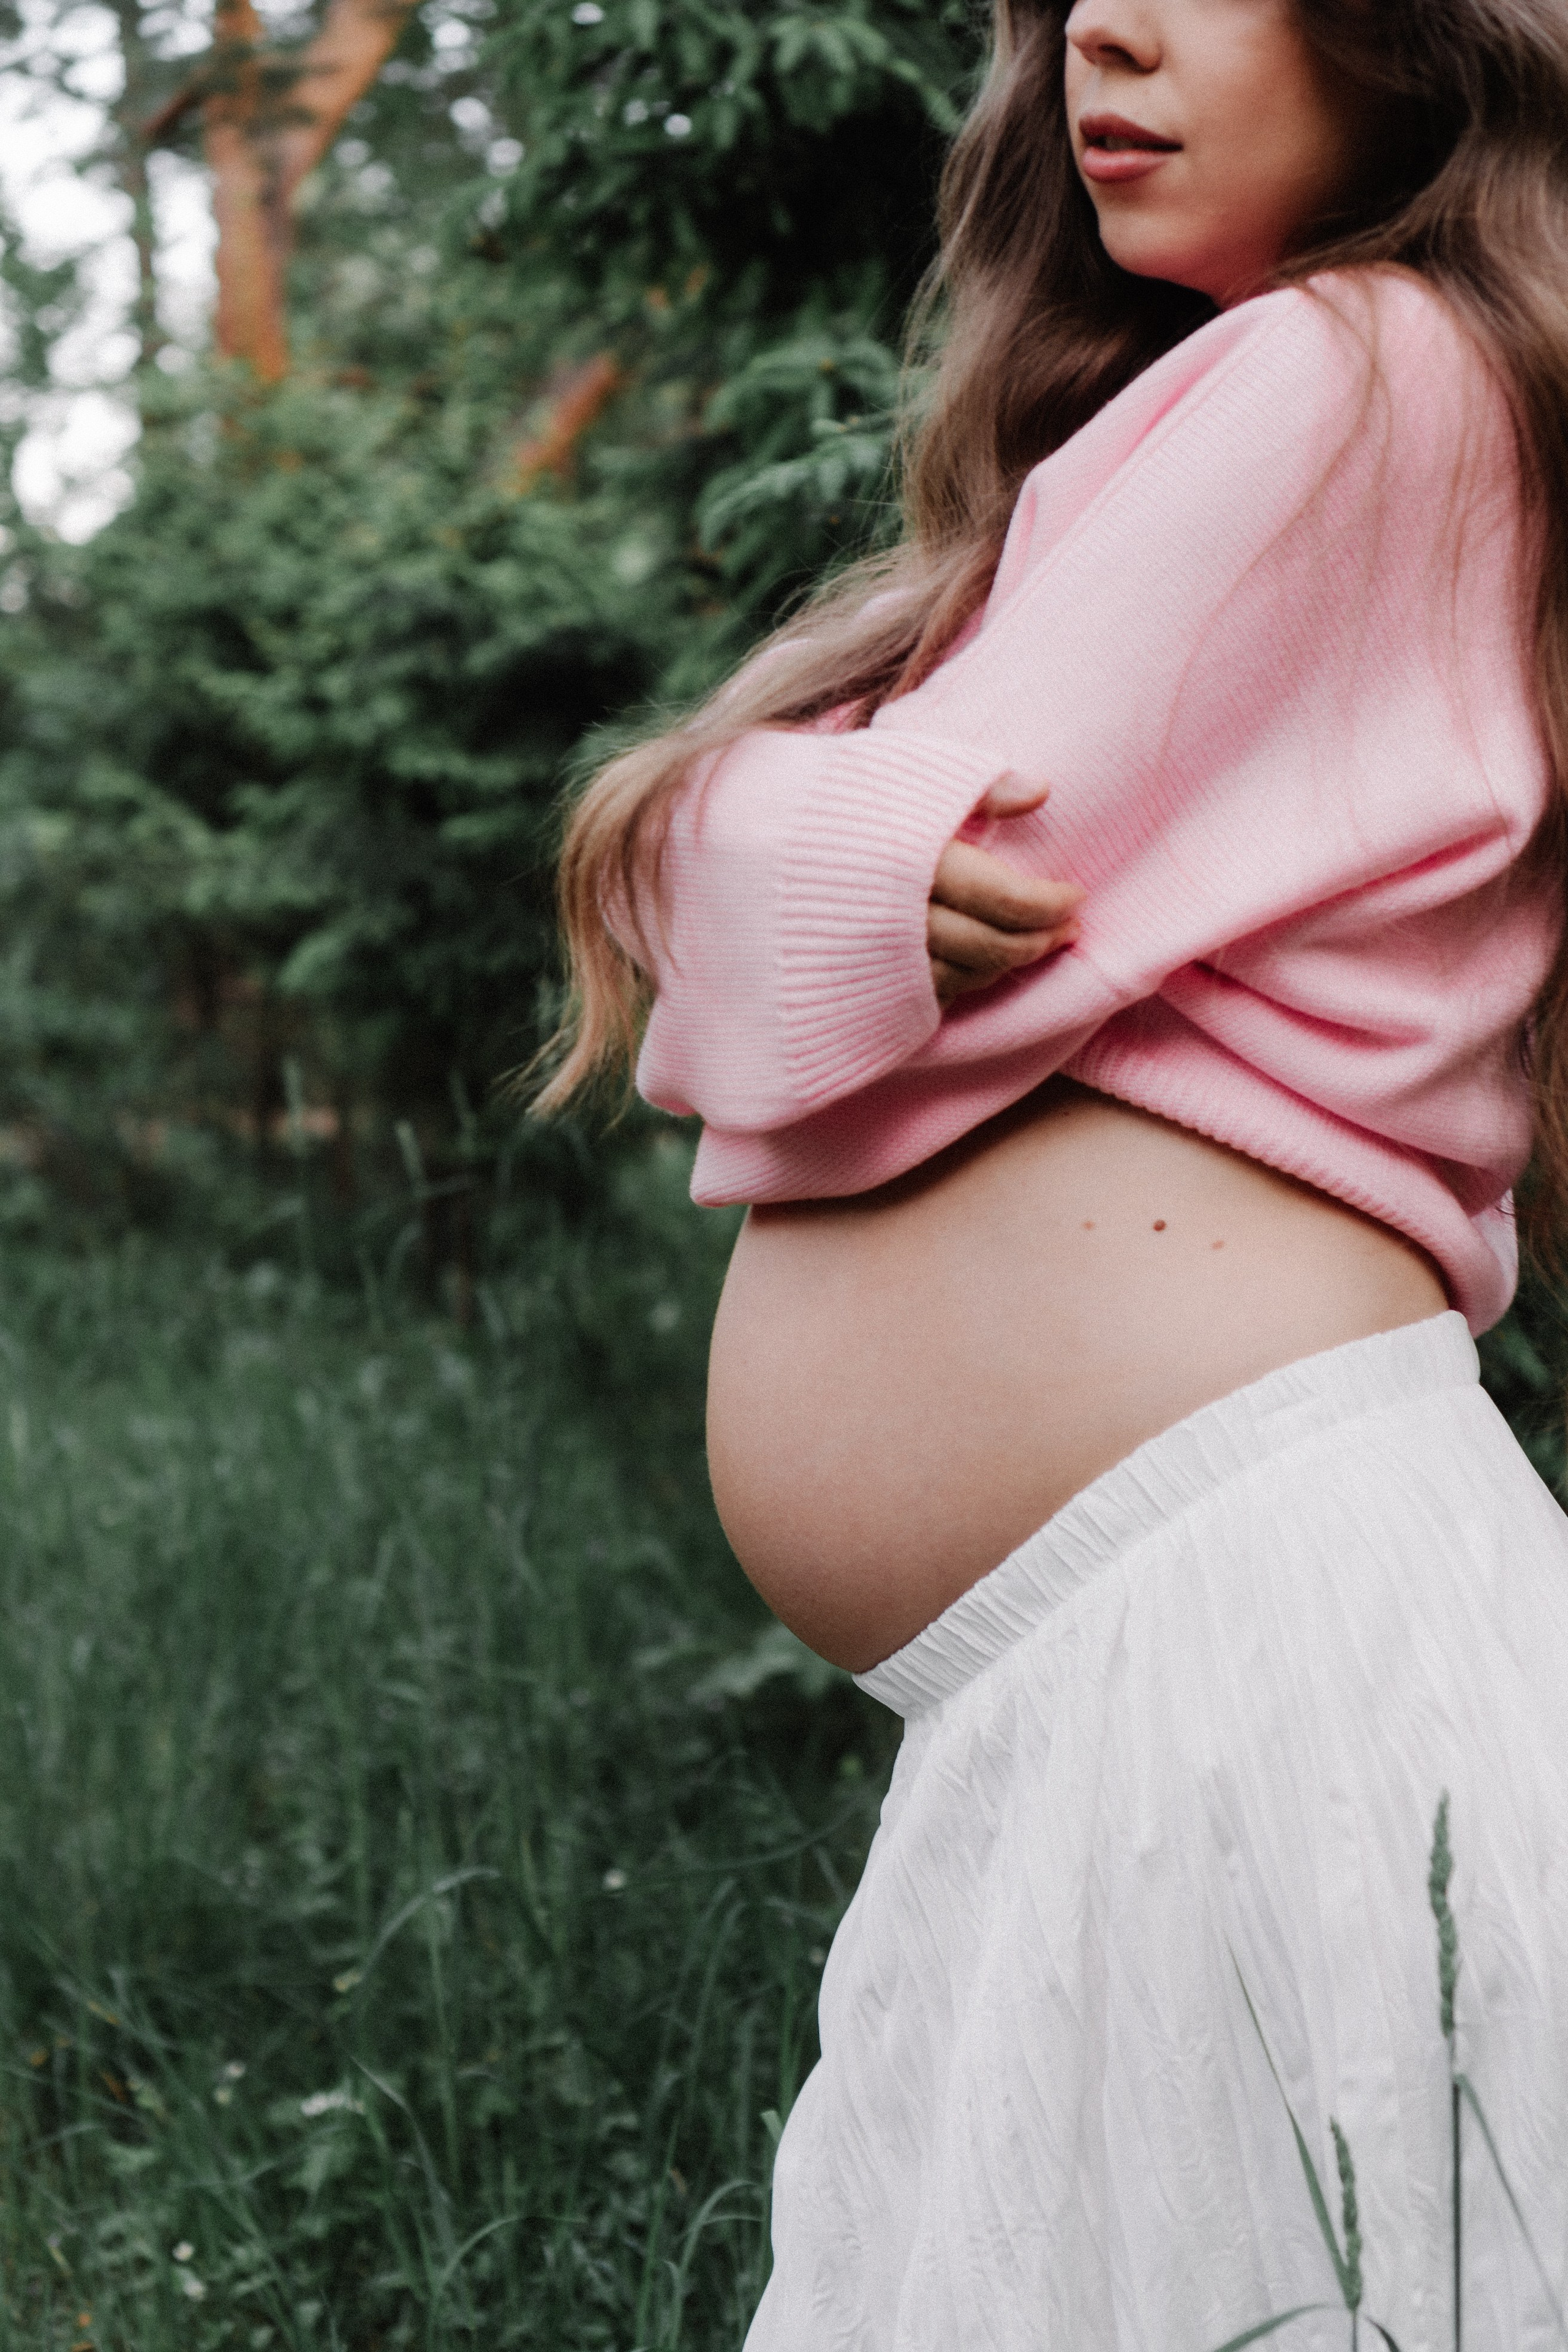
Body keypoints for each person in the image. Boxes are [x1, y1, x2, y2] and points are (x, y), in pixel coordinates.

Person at [540, 0, 1568, 2340]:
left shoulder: (1356, 365)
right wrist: (783, 836)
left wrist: (717, 819)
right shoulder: (1338, 386)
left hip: (1243, 1639)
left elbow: (902, 1005)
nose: (1096, 22)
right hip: (1170, 1657)